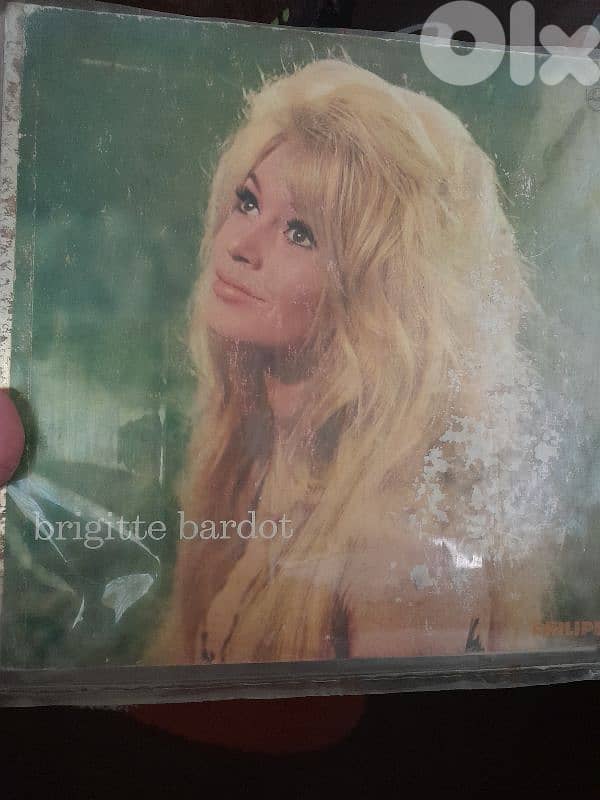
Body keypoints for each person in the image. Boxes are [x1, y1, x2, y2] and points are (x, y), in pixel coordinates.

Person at [147, 57, 557, 666]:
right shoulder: (248, 461)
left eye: (301, 233)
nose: (240, 245)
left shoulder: (401, 548)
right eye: (248, 202)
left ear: (375, 295)